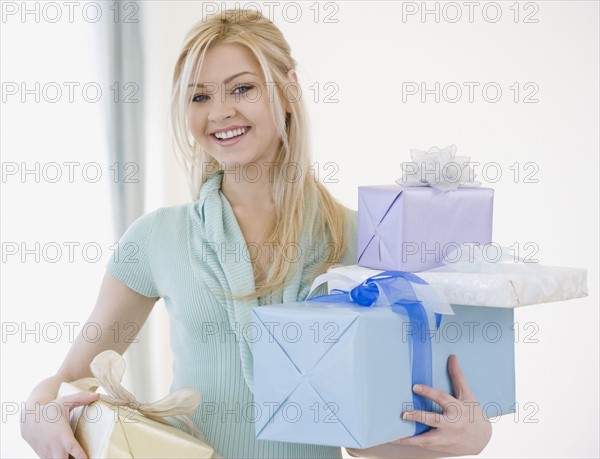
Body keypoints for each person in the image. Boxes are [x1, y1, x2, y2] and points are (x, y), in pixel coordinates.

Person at [20, 9, 491, 459]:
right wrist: (38, 417)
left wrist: (467, 437)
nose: (219, 112)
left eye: (241, 89)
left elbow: (366, 437)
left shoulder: (359, 239)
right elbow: (69, 379)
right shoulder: (155, 238)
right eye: (199, 96)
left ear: (287, 91)